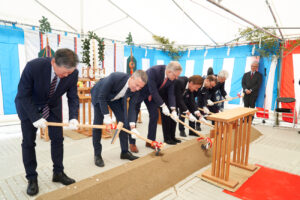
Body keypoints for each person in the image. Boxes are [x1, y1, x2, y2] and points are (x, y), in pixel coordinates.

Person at [15, 48, 80, 196]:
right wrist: (35, 117)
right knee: (29, 142)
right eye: (63, 72)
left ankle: (58, 172)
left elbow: (73, 96)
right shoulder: (33, 66)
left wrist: (73, 117)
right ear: (53, 62)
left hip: (52, 105)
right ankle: (32, 178)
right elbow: (23, 95)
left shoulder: (73, 73)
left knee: (58, 139)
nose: (65, 76)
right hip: (29, 105)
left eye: (68, 73)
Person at [91, 70, 148, 167]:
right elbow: (102, 97)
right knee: (98, 125)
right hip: (100, 95)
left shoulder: (136, 90)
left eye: (140, 87)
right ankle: (97, 155)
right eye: (137, 85)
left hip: (116, 98)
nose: (138, 89)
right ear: (132, 78)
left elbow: (132, 108)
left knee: (124, 123)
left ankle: (124, 152)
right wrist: (106, 116)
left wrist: (133, 126)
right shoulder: (115, 77)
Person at [137, 61, 182, 147]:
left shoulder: (171, 78)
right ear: (169, 72)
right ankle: (132, 143)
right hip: (141, 92)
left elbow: (171, 93)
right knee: (134, 116)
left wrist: (173, 109)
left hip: (153, 96)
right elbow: (153, 90)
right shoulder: (154, 71)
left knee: (154, 116)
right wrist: (163, 106)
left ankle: (150, 141)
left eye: (177, 76)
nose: (176, 78)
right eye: (175, 76)